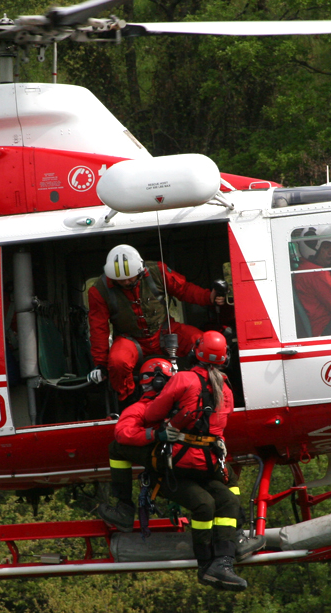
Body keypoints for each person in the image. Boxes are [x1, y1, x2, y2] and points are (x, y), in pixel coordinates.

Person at [140, 331, 248, 591]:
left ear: (196, 351)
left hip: (179, 465)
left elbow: (152, 413)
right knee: (218, 503)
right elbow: (222, 420)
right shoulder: (226, 388)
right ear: (223, 359)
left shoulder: (183, 380)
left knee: (221, 502)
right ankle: (212, 563)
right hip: (204, 466)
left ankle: (220, 564)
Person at [87, 244, 223, 403]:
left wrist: (208, 297)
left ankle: (208, 391)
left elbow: (184, 290)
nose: (126, 282)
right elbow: (99, 329)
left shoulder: (158, 271)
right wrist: (101, 364)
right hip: (130, 340)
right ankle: (129, 401)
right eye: (121, 280)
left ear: (140, 271)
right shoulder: (98, 291)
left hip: (164, 331)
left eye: (130, 278)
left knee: (201, 343)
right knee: (117, 362)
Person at [96, 356, 175, 532]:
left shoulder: (140, 409)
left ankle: (124, 508)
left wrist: (153, 435)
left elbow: (123, 434)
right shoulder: (188, 401)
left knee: (115, 448)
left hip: (167, 460)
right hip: (195, 458)